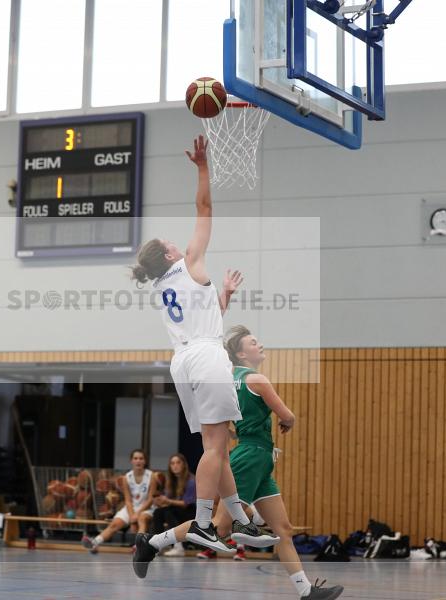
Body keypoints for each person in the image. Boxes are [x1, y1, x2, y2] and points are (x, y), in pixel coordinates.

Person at [129, 135, 276, 556]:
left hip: (185, 360)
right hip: (207, 357)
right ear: (169, 252)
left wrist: (223, 296)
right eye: (171, 242)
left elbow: (204, 319)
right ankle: (203, 523)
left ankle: (244, 522)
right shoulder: (188, 261)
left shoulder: (162, 285)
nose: (179, 241)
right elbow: (205, 208)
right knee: (215, 447)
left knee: (219, 447)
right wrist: (202, 166)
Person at [210, 326, 344, 599]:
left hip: (253, 453)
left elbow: (225, 423)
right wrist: (286, 421)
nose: (259, 345)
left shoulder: (228, 380)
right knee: (218, 527)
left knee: (283, 529)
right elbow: (289, 415)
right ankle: (155, 541)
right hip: (252, 455)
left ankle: (306, 591)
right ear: (240, 353)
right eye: (253, 342)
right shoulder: (256, 379)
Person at [82, 449, 156, 553]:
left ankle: (139, 547)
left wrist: (137, 514)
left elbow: (150, 499)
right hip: (131, 507)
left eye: (141, 458)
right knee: (115, 524)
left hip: (146, 507)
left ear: (145, 461)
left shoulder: (151, 476)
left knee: (142, 519)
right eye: (135, 458)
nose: (138, 461)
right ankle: (94, 543)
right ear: (131, 461)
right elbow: (128, 500)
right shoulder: (126, 478)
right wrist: (131, 516)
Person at [150, 453, 196, 557]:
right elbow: (168, 500)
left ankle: (178, 547)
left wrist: (167, 501)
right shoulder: (171, 481)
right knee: (158, 512)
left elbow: (185, 503)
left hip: (190, 512)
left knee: (169, 512)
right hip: (175, 509)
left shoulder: (191, 480)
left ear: (184, 464)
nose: (175, 465)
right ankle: (158, 545)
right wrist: (159, 501)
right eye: (172, 463)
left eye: (178, 463)